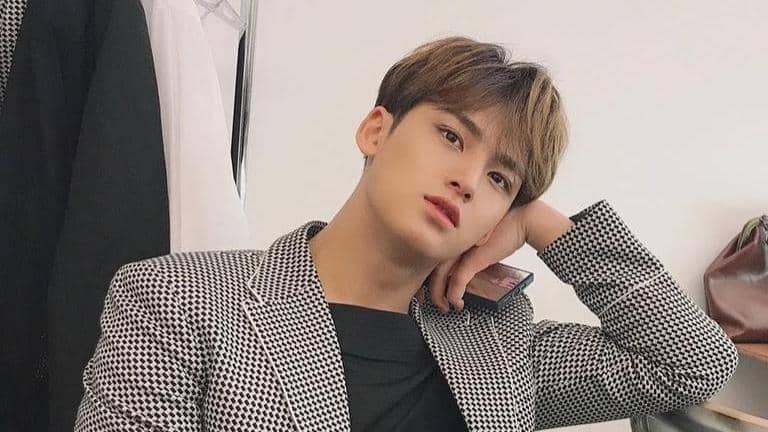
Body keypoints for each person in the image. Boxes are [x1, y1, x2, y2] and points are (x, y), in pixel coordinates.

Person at [74, 36, 739, 432]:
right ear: (376, 130)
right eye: (451, 135)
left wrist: (541, 223)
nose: (468, 180)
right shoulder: (177, 299)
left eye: (500, 178)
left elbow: (693, 365)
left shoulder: (496, 343)